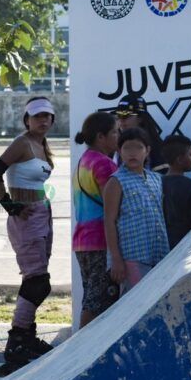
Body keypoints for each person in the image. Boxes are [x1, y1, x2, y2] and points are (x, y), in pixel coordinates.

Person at [0, 96, 58, 369]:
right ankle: (16, 340)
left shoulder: (41, 145)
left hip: (41, 212)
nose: (43, 120)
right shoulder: (22, 142)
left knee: (37, 278)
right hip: (26, 216)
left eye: (48, 116)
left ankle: (27, 337)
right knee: (38, 282)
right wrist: (9, 205)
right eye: (37, 116)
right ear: (27, 119)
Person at [103, 128, 169, 294]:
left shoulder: (156, 179)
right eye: (127, 148)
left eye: (138, 148)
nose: (132, 153)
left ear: (147, 150)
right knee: (135, 304)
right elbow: (109, 221)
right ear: (119, 151)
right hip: (131, 257)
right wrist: (116, 259)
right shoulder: (116, 181)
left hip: (158, 253)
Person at [72, 111, 120, 327]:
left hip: (83, 241)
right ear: (101, 137)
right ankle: (81, 353)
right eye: (115, 132)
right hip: (101, 241)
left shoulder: (84, 160)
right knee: (97, 301)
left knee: (92, 297)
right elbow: (113, 206)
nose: (119, 136)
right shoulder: (104, 164)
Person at [161, 134, 191, 249]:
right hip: (185, 246)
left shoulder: (156, 183)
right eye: (190, 154)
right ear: (179, 159)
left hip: (161, 246)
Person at [114, 95, 167, 173]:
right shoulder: (114, 147)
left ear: (140, 118)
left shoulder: (156, 148)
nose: (121, 120)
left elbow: (163, 181)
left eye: (125, 115)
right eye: (118, 115)